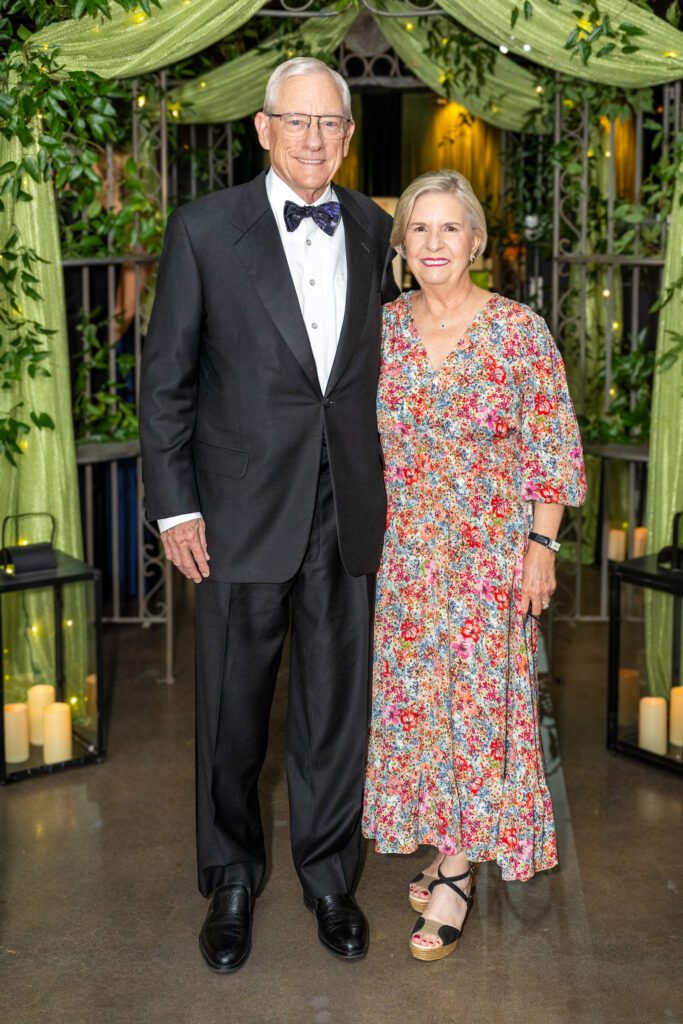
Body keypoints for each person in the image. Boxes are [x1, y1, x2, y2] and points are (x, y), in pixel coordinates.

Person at [139, 58, 398, 972]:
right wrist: (175, 508)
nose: (314, 141)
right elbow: (165, 380)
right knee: (232, 709)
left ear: (348, 134)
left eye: (331, 125)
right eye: (298, 123)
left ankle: (331, 877)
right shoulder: (206, 229)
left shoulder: (371, 225)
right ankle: (233, 877)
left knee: (336, 707)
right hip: (240, 510)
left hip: (347, 505)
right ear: (262, 128)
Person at [362, 170, 586, 961]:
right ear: (401, 245)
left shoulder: (518, 332)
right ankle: (445, 839)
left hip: (489, 558)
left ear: (476, 242)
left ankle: (456, 875)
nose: (432, 244)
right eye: (418, 230)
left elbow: (551, 448)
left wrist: (539, 546)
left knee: (477, 716)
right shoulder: (380, 331)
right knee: (420, 715)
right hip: (404, 558)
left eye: (448, 229)